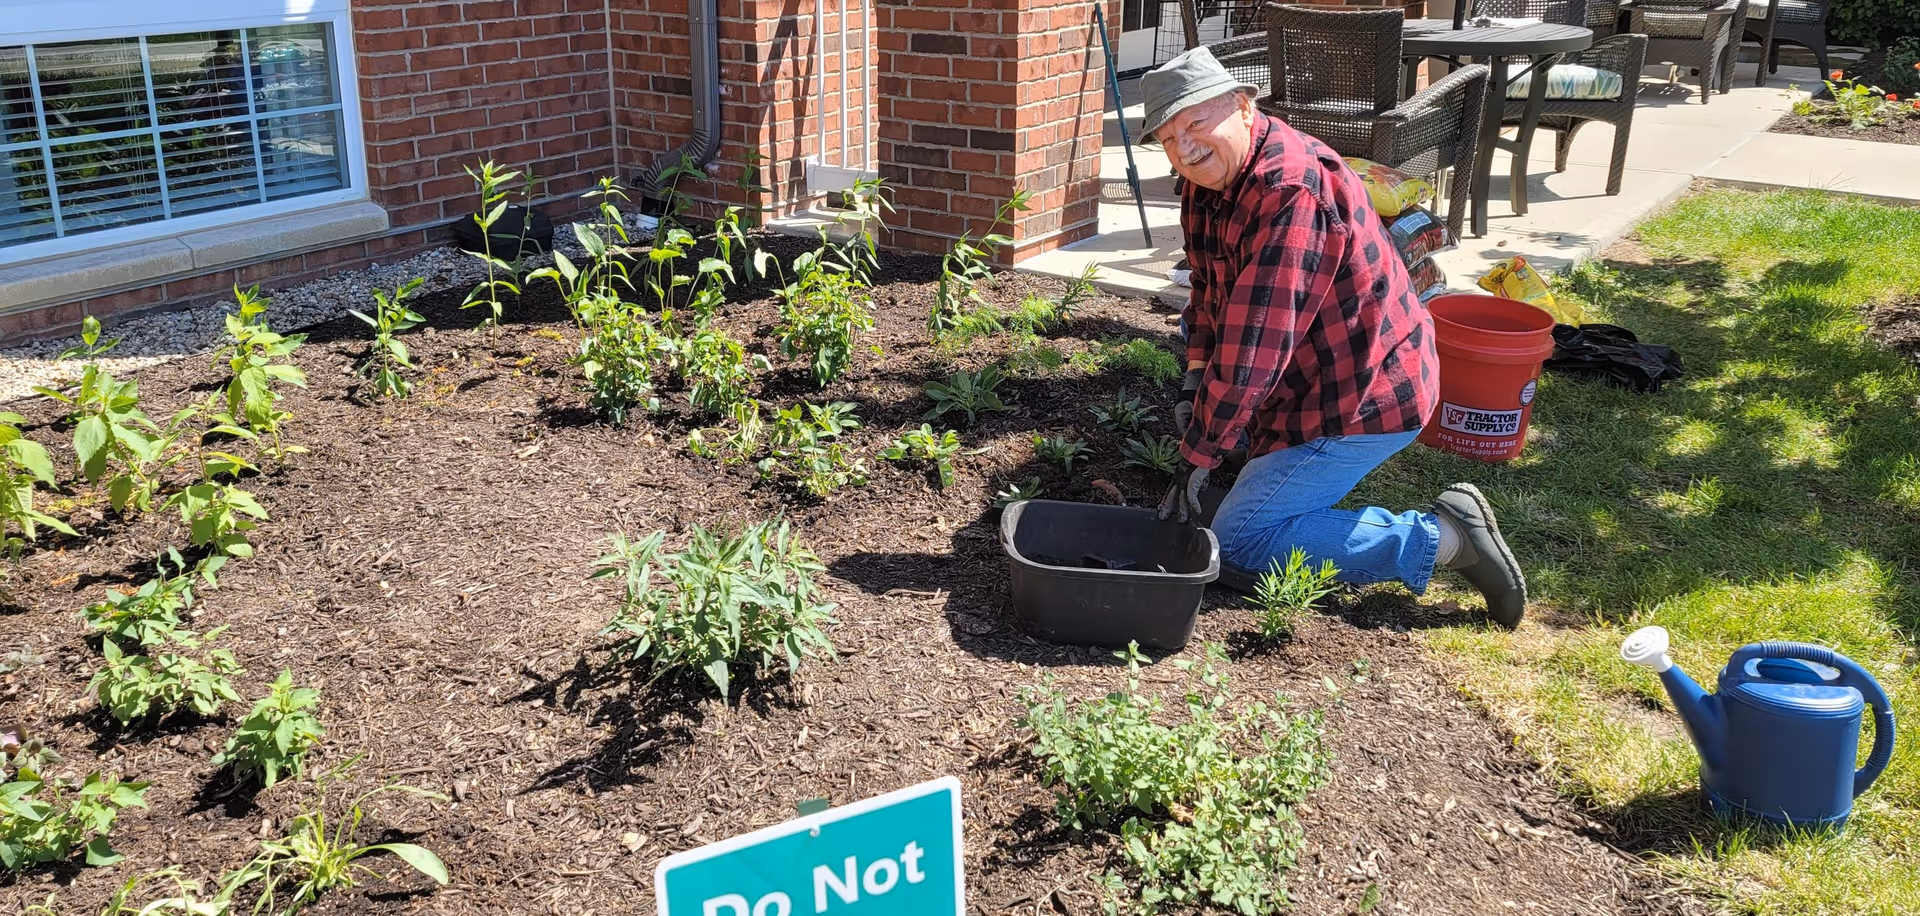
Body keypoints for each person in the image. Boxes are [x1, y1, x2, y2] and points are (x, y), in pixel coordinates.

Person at [1140, 47, 1528, 627]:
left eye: (1195, 123)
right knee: (1231, 467)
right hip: (1306, 383)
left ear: (1243, 107)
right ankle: (1256, 453)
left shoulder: (1290, 195)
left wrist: (1196, 454)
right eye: (1168, 139)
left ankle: (1447, 538)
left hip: (1364, 398)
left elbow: (1252, 354)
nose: (1185, 149)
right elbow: (1206, 287)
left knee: (1241, 542)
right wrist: (1197, 377)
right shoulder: (1209, 180)